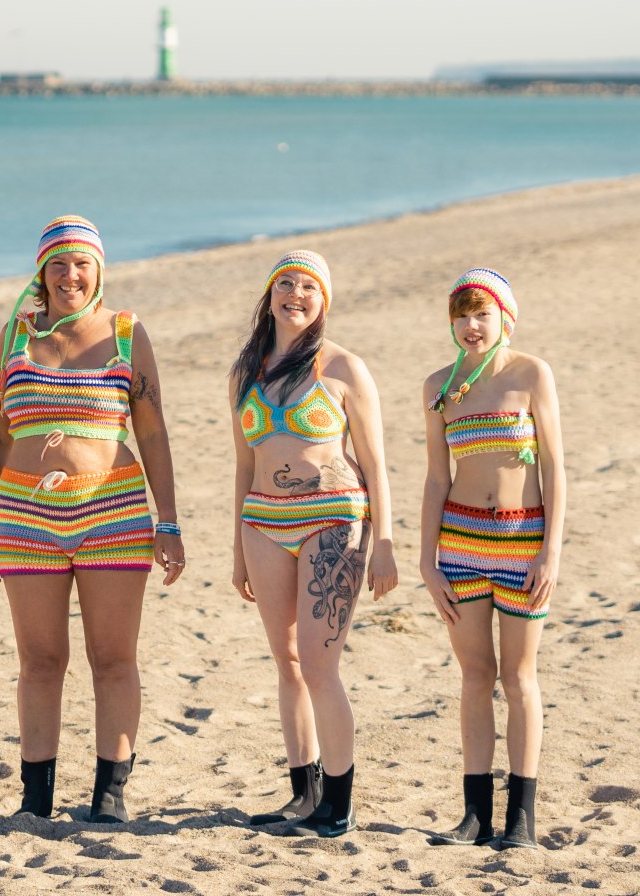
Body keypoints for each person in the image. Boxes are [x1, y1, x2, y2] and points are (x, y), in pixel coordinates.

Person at [0, 216, 184, 823]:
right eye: (58, 264)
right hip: (24, 514)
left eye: (81, 263)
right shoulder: (13, 335)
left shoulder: (126, 333)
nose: (70, 275)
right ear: (42, 271)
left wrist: (167, 521)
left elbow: (152, 429)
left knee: (113, 657)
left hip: (112, 510)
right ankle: (34, 800)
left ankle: (109, 795)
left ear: (99, 269)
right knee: (39, 661)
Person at [228, 251, 397, 838]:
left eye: (308, 287)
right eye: (286, 284)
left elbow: (376, 463)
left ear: (324, 301)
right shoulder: (246, 371)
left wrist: (386, 542)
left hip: (334, 520)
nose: (295, 294)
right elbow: (242, 467)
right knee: (288, 662)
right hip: (263, 524)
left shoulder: (345, 367)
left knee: (321, 666)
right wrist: (235, 547)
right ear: (270, 294)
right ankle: (305, 793)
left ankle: (340, 803)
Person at [418, 268, 565, 850]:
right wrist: (427, 561)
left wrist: (551, 551)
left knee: (520, 676)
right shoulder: (437, 386)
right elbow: (435, 479)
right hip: (460, 546)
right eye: (462, 315)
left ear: (506, 317)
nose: (471, 326)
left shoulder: (531, 374)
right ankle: (475, 816)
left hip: (523, 542)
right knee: (476, 676)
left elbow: (554, 467)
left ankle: (521, 819)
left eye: (482, 314)